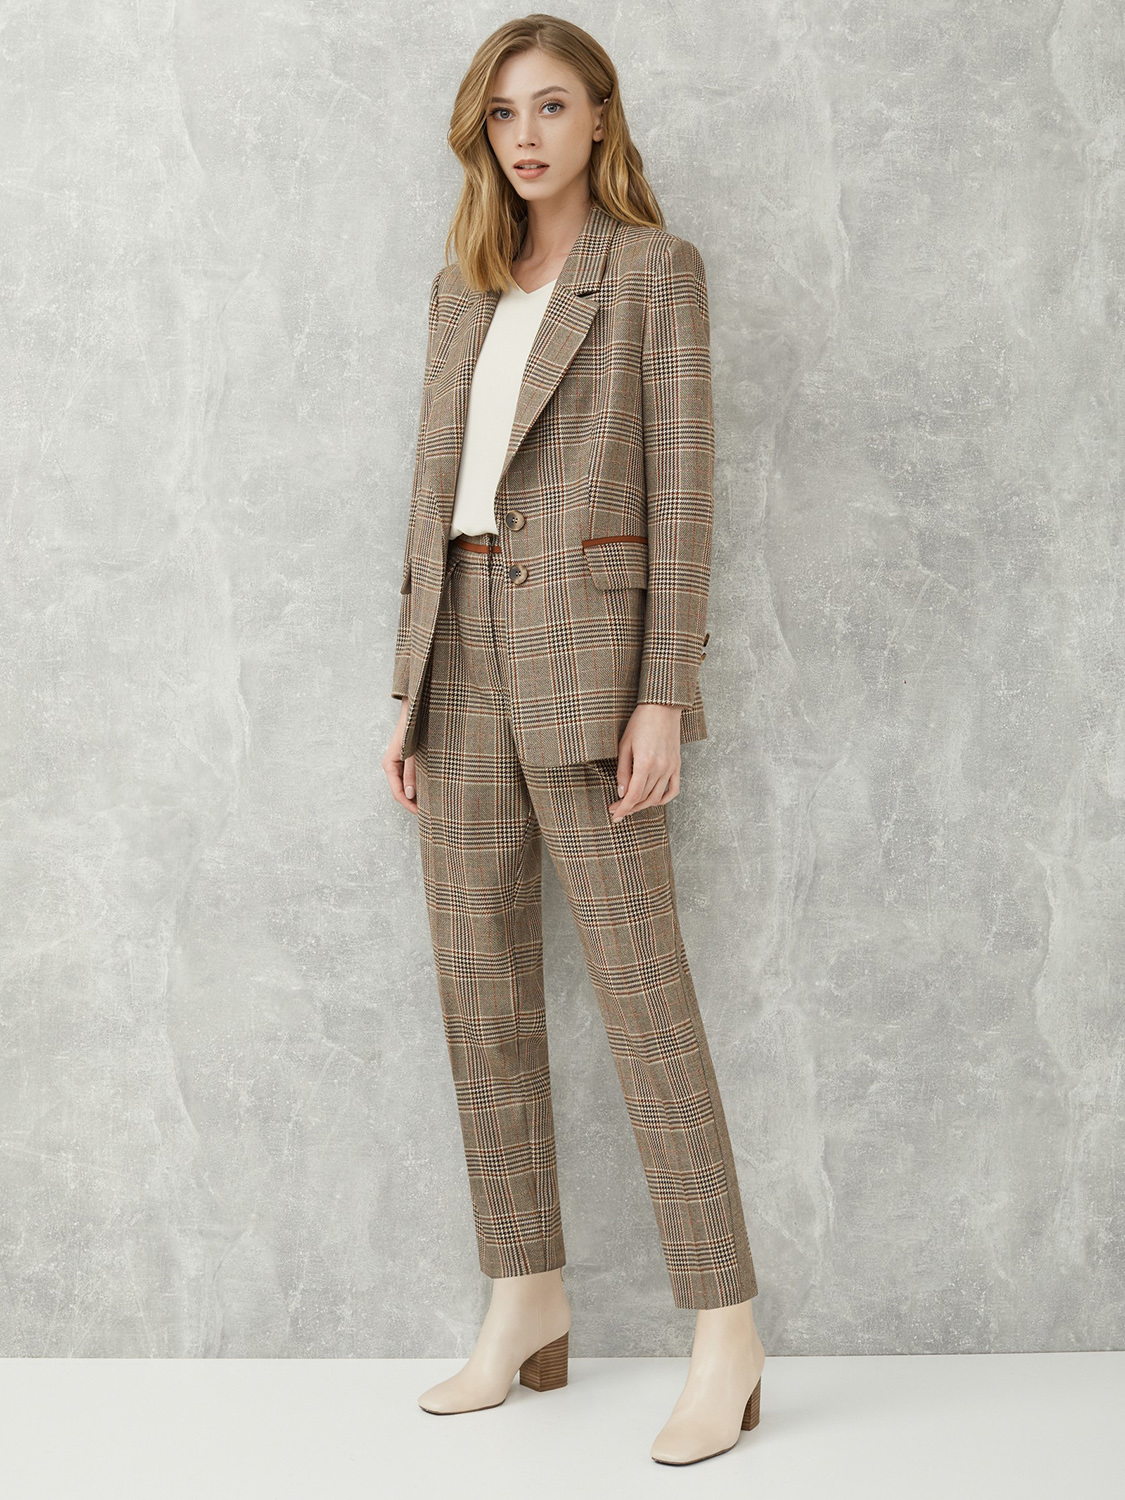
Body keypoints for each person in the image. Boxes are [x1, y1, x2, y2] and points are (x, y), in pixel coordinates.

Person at [381, 14, 765, 1466]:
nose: (526, 136)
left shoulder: (654, 273)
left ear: (601, 118)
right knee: (480, 993)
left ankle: (724, 1332)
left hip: (591, 672)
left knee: (642, 996)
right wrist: (407, 688)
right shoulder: (462, 289)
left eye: (551, 107)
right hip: (460, 659)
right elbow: (431, 496)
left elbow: (684, 493)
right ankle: (524, 1298)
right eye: (503, 114)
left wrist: (663, 691)